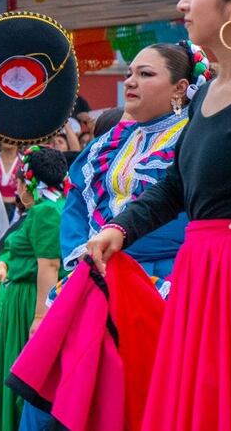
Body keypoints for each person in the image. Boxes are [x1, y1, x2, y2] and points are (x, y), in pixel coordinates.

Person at [86, 0, 231, 430]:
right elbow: (177, 182)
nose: (182, 2)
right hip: (200, 275)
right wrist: (122, 228)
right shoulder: (208, 94)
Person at [60, 42, 208, 279]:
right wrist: (83, 252)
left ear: (179, 88)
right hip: (105, 271)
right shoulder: (110, 142)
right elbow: (77, 199)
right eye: (129, 73)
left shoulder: (197, 137)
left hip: (175, 273)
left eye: (145, 74)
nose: (130, 81)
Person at [0, 145, 68, 431]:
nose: (16, 186)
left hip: (30, 301)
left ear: (29, 182)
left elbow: (49, 265)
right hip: (25, 296)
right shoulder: (54, 205)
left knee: (24, 378)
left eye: (19, 181)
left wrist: (39, 317)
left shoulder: (45, 212)